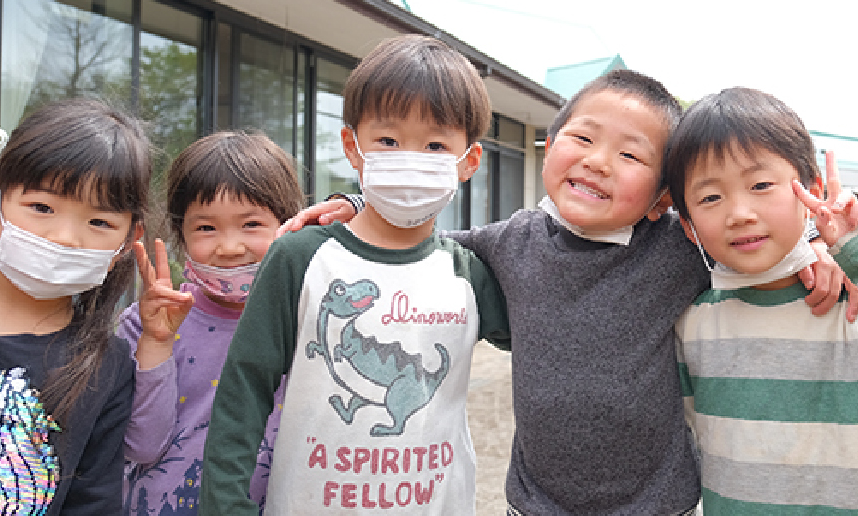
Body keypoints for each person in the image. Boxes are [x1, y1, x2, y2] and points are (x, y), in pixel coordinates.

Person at [279, 69, 854, 515]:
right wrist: (358, 207)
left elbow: (749, 245)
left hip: (658, 504)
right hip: (535, 502)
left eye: (630, 155)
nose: (599, 162)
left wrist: (818, 254)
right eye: (583, 138)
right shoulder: (512, 240)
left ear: (663, 199)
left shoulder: (677, 249)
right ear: (550, 145)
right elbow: (424, 242)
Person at [199, 34, 510, 514]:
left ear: (467, 160)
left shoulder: (468, 273)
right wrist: (224, 505)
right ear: (352, 146)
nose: (410, 158)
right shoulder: (299, 258)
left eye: (434, 144)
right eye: (388, 140)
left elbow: (549, 336)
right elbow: (245, 388)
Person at [666, 87, 858, 514]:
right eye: (711, 197)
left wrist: (849, 249)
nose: (739, 212)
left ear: (812, 190)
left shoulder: (849, 298)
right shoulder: (692, 324)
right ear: (689, 227)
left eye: (760, 185)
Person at [0, 98, 150, 513]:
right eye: (42, 207)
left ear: (126, 240)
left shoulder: (107, 365)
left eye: (100, 222)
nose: (65, 236)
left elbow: (92, 501)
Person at [118, 131, 305, 515]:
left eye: (251, 224)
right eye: (206, 228)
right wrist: (156, 343)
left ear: (290, 227)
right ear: (181, 236)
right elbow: (142, 445)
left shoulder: (310, 320)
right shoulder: (144, 323)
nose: (230, 246)